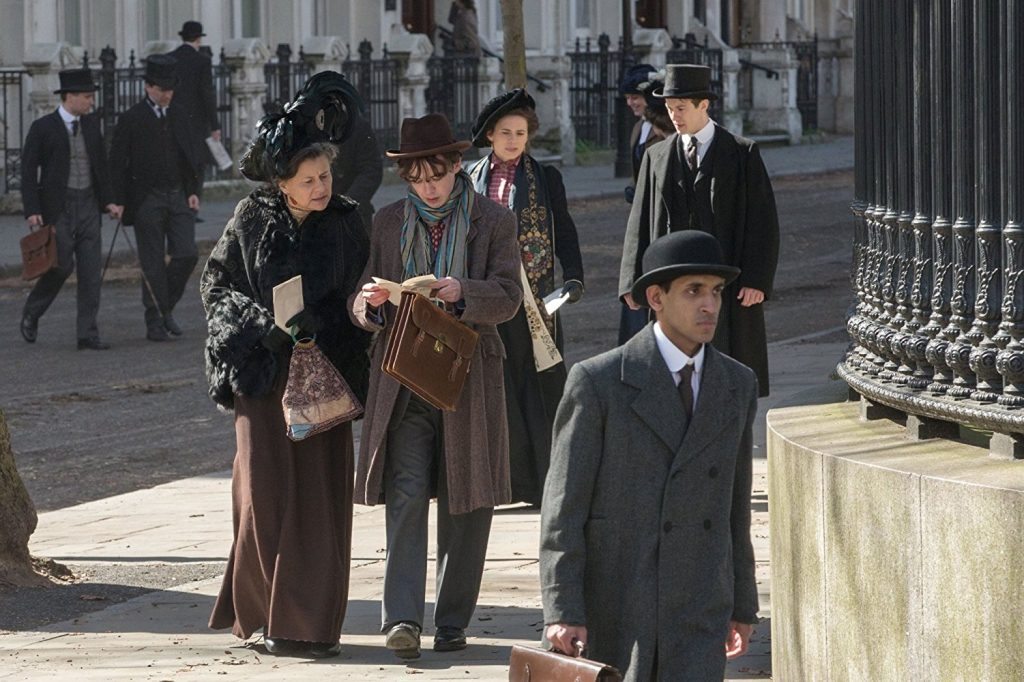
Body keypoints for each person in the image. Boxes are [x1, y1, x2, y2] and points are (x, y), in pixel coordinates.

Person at [201, 72, 370, 659]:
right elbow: (216, 286)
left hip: (324, 377)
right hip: (262, 381)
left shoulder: (348, 221)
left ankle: (309, 625)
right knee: (263, 497)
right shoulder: (251, 219)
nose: (322, 187)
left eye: (325, 176)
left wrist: (330, 322)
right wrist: (263, 328)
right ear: (283, 184)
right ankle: (259, 616)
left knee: (319, 502)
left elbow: (355, 297)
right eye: (309, 180)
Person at [541, 230, 760, 681]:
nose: (709, 305)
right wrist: (563, 607)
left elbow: (735, 508)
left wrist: (743, 603)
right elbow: (564, 509)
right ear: (656, 298)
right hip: (620, 601)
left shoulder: (737, 385)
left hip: (701, 600)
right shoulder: (599, 382)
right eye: (694, 291)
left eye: (716, 292)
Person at [350, 113, 522, 660]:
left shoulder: (493, 220)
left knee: (466, 500)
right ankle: (401, 619)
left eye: (436, 175)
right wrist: (368, 306)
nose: (427, 187)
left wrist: (460, 290)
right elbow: (361, 297)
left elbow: (509, 297)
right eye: (417, 178)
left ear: (455, 167)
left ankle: (452, 621)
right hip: (402, 377)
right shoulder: (387, 221)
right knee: (404, 495)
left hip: (467, 378)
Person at [618, 64, 780, 395]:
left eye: (681, 108)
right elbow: (639, 220)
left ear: (703, 105)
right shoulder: (657, 156)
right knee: (673, 364)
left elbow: (762, 222)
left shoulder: (741, 152)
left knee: (725, 366)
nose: (674, 116)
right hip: (671, 281)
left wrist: (756, 280)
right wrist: (631, 280)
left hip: (726, 284)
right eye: (668, 108)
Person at [464, 89, 584, 506]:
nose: (514, 141)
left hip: (535, 301)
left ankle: (547, 481)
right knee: (496, 388)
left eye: (520, 133)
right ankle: (503, 481)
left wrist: (574, 276)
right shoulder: (470, 178)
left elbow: (564, 230)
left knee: (540, 385)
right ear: (491, 137)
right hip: (488, 297)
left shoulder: (545, 179)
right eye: (505, 133)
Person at [19, 68, 117, 350]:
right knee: (61, 265)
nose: (90, 102)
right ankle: (32, 311)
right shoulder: (43, 127)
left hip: (88, 203)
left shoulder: (90, 124)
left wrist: (109, 200)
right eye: (86, 97)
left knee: (90, 271)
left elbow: (101, 166)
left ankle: (87, 333)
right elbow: (28, 172)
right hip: (57, 207)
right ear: (69, 97)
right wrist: (32, 210)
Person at [109, 54, 201, 342]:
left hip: (178, 195)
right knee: (152, 264)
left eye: (171, 89)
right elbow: (116, 163)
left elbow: (192, 157)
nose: (167, 94)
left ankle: (164, 310)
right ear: (148, 87)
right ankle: (155, 322)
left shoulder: (179, 114)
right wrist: (117, 200)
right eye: (162, 89)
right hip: (146, 198)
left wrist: (194, 191)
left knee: (187, 253)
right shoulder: (131, 119)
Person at [618, 63, 668, 345]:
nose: (631, 103)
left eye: (635, 97)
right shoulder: (638, 129)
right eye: (627, 99)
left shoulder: (664, 128)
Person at [167, 21, 221, 195]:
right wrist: (215, 125)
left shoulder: (171, 58)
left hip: (174, 116)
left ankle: (182, 198)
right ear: (198, 38)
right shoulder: (202, 61)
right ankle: (194, 199)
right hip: (197, 120)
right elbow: (207, 94)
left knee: (179, 158)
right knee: (197, 161)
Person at [332, 111, 383, 232]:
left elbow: (371, 169)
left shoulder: (357, 125)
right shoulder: (304, 125)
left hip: (354, 214)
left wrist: (346, 203)